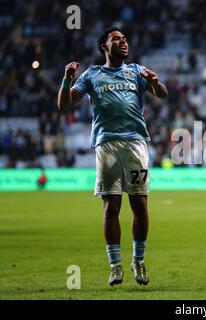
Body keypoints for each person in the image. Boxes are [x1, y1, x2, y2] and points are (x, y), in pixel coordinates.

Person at [57, 27, 168, 286]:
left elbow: (162, 93)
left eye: (125, 39)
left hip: (136, 144)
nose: (123, 42)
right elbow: (64, 104)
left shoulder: (137, 71)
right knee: (111, 207)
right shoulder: (92, 74)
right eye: (116, 39)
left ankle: (138, 261)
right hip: (106, 145)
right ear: (104, 46)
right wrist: (66, 79)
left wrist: (154, 83)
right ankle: (115, 265)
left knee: (140, 205)